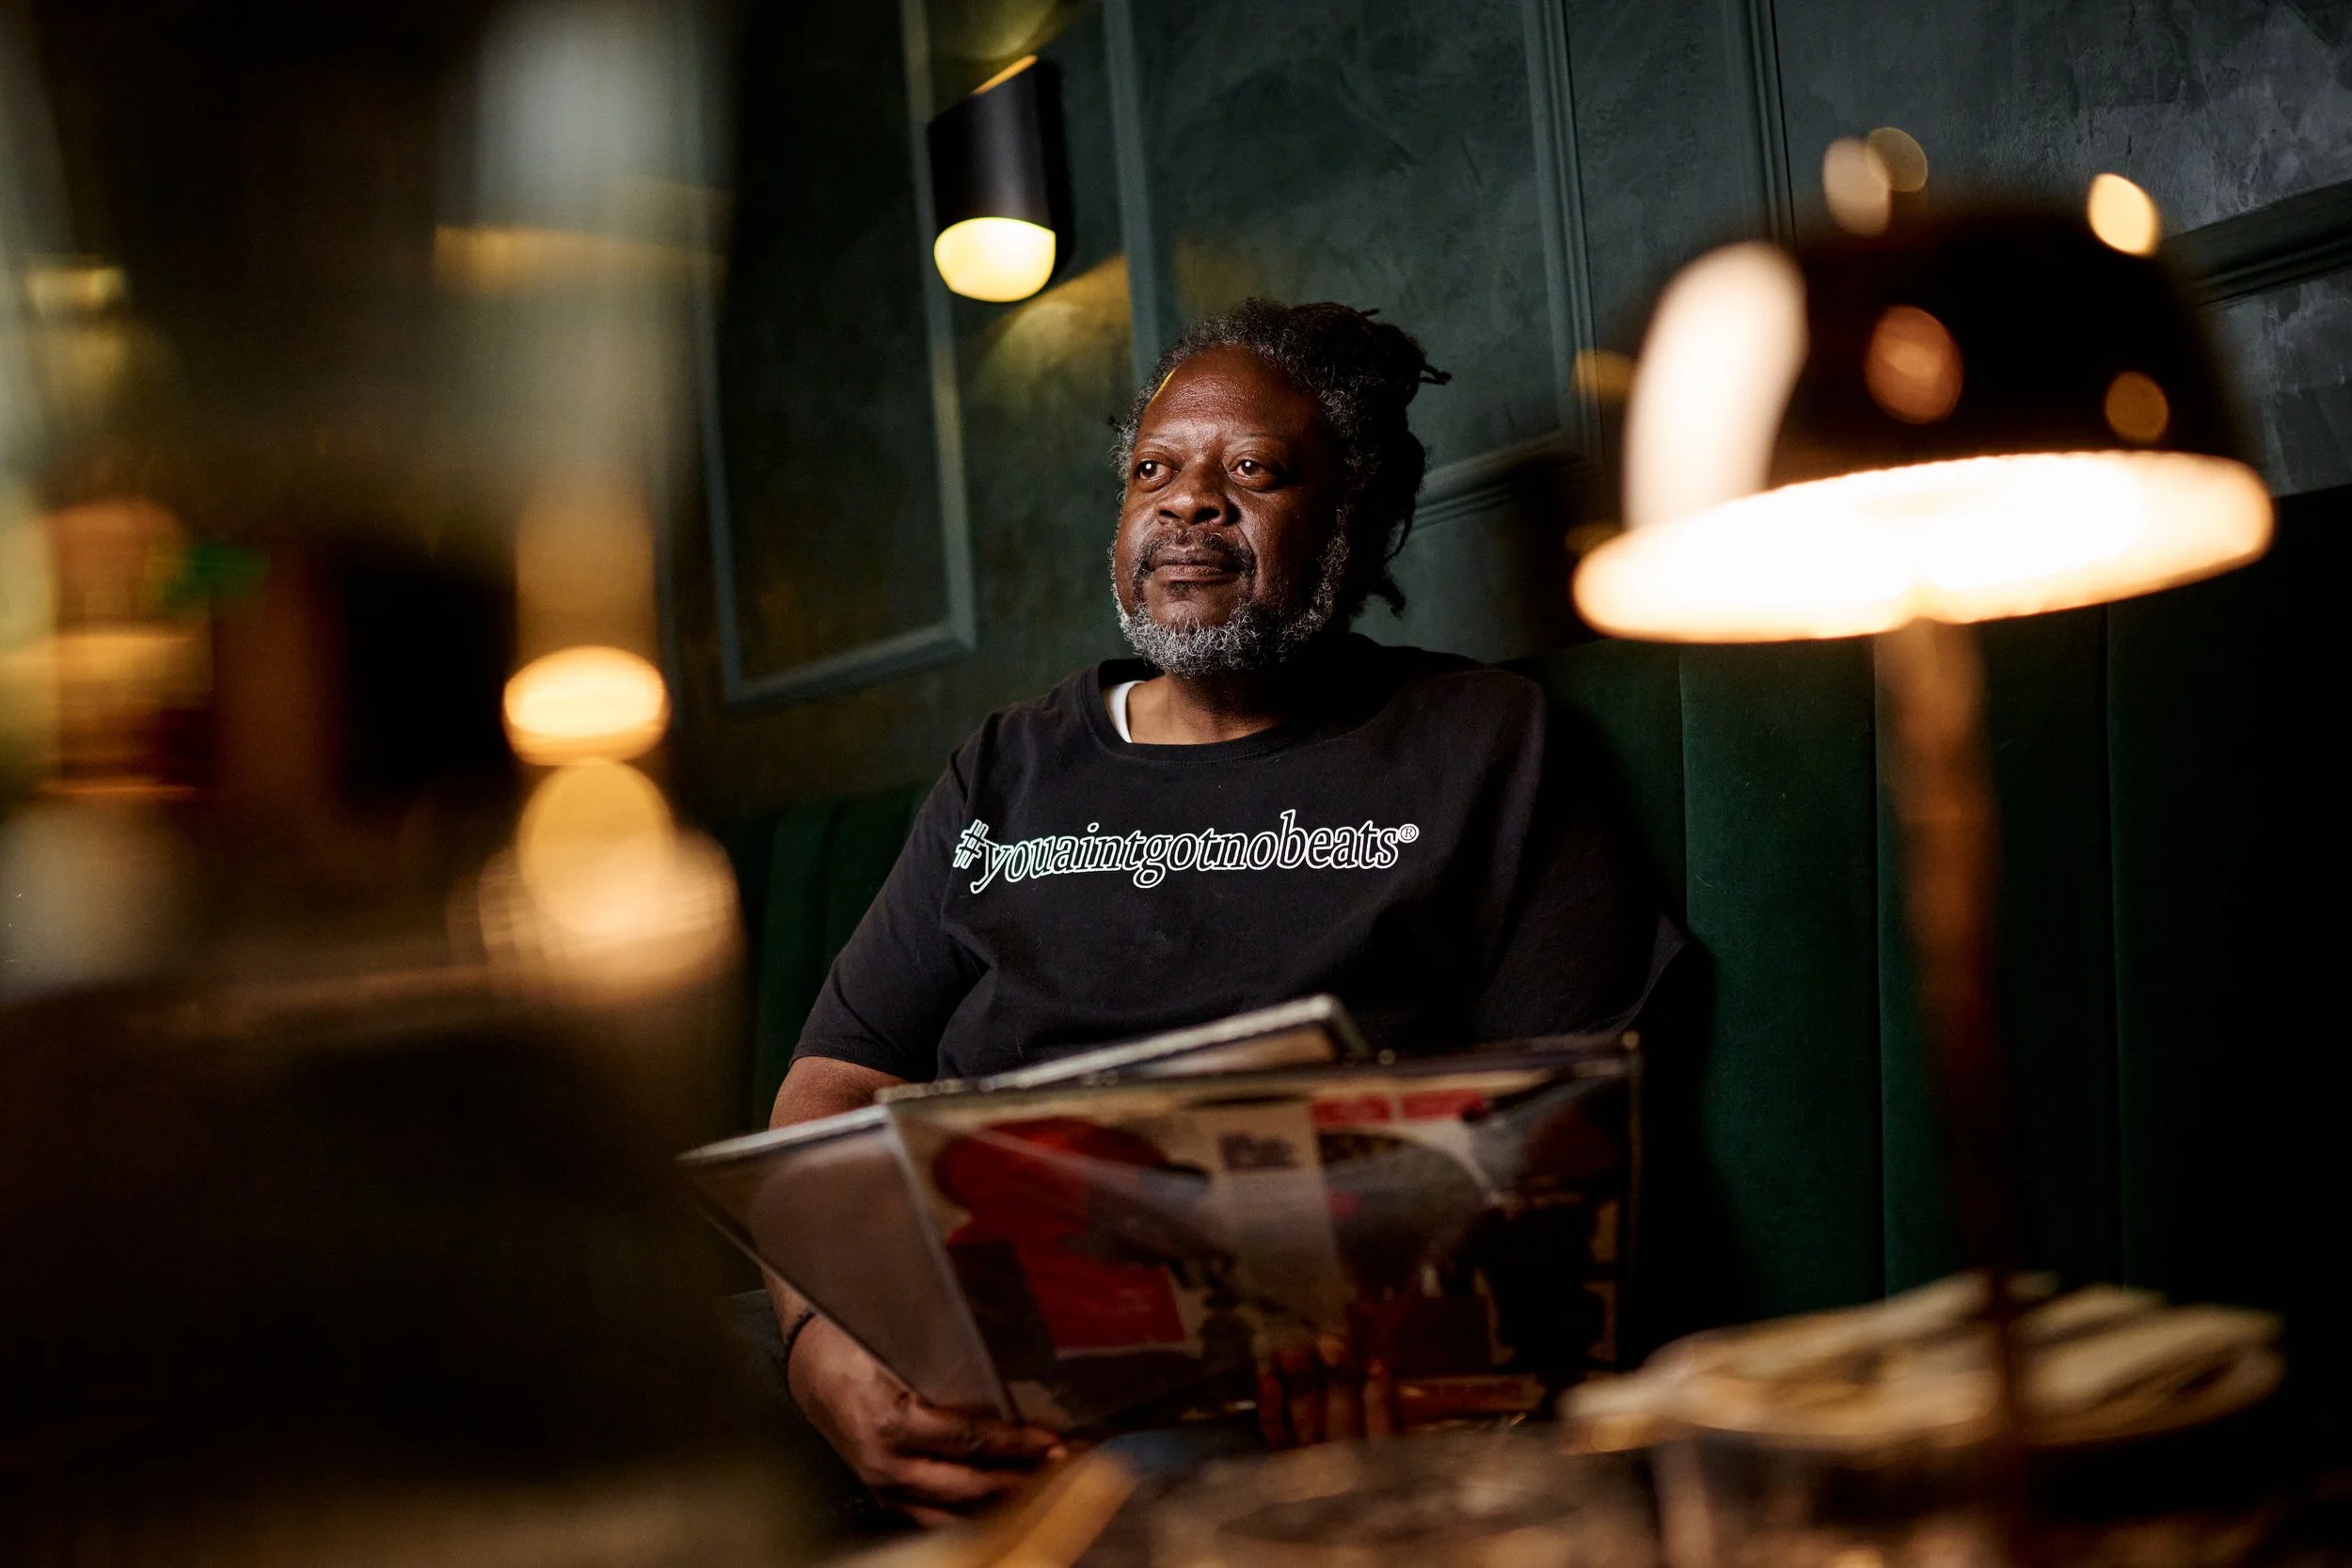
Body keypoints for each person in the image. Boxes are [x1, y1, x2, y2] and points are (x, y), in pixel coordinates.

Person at [765, 299, 1662, 1524]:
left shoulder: (1488, 749)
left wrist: (1415, 1365)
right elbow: (833, 1084)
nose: (1188, 499)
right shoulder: (1006, 768)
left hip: (1279, 1395)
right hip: (965, 1359)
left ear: (1351, 521)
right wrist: (819, 1346)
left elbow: (1553, 1141)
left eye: (1252, 468)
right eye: (1154, 468)